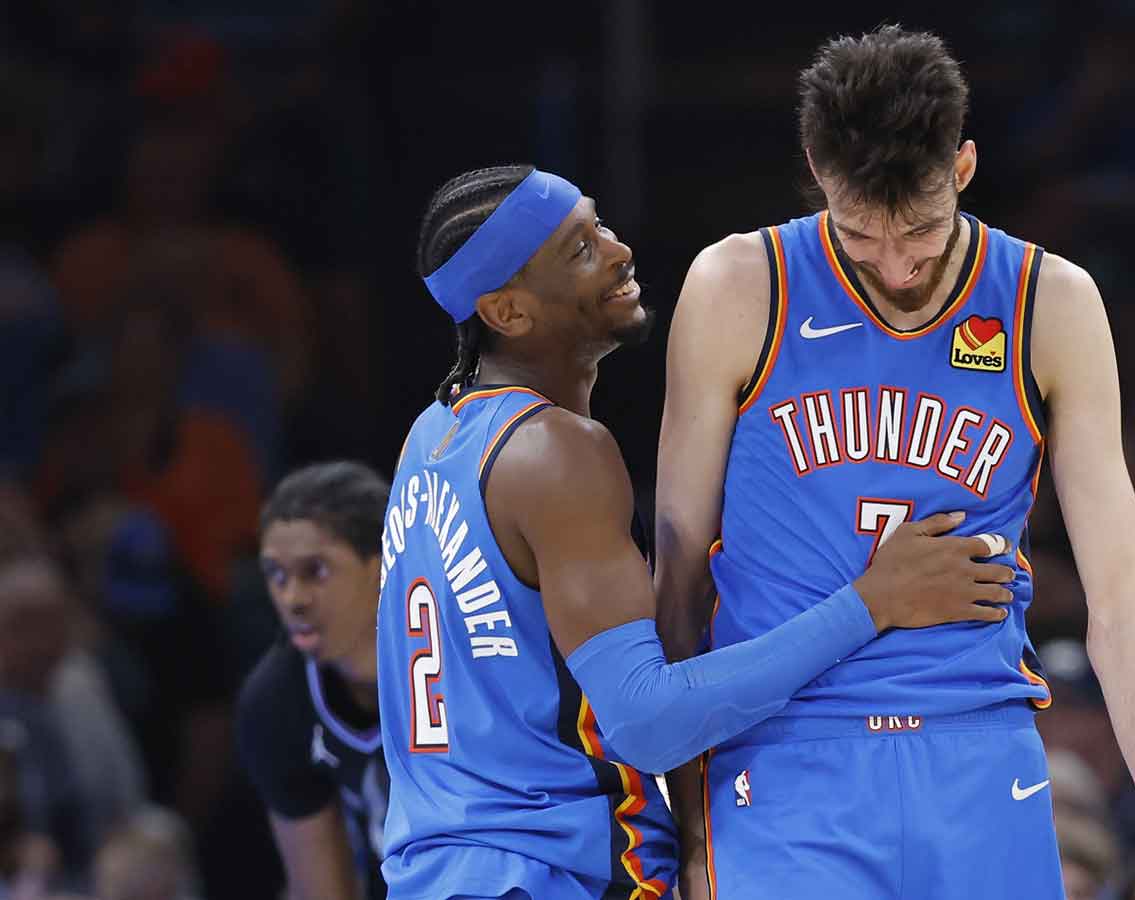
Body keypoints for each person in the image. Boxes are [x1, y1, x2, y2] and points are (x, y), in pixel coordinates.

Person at [655, 25, 1135, 900]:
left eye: (918, 230)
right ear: (815, 167)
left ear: (964, 168)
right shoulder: (736, 286)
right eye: (860, 236)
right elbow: (678, 580)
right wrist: (683, 826)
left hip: (979, 753)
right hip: (785, 756)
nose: (897, 266)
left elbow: (1120, 600)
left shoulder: (1050, 304)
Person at [376, 165, 1017, 900]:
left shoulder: (432, 439)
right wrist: (872, 603)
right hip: (541, 875)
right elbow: (648, 719)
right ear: (508, 311)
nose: (618, 252)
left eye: (601, 225)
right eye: (580, 250)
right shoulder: (555, 452)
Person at [236, 461, 392, 900]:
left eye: (315, 572)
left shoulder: (474, 656)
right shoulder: (274, 703)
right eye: (276, 575)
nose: (292, 598)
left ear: (383, 564)